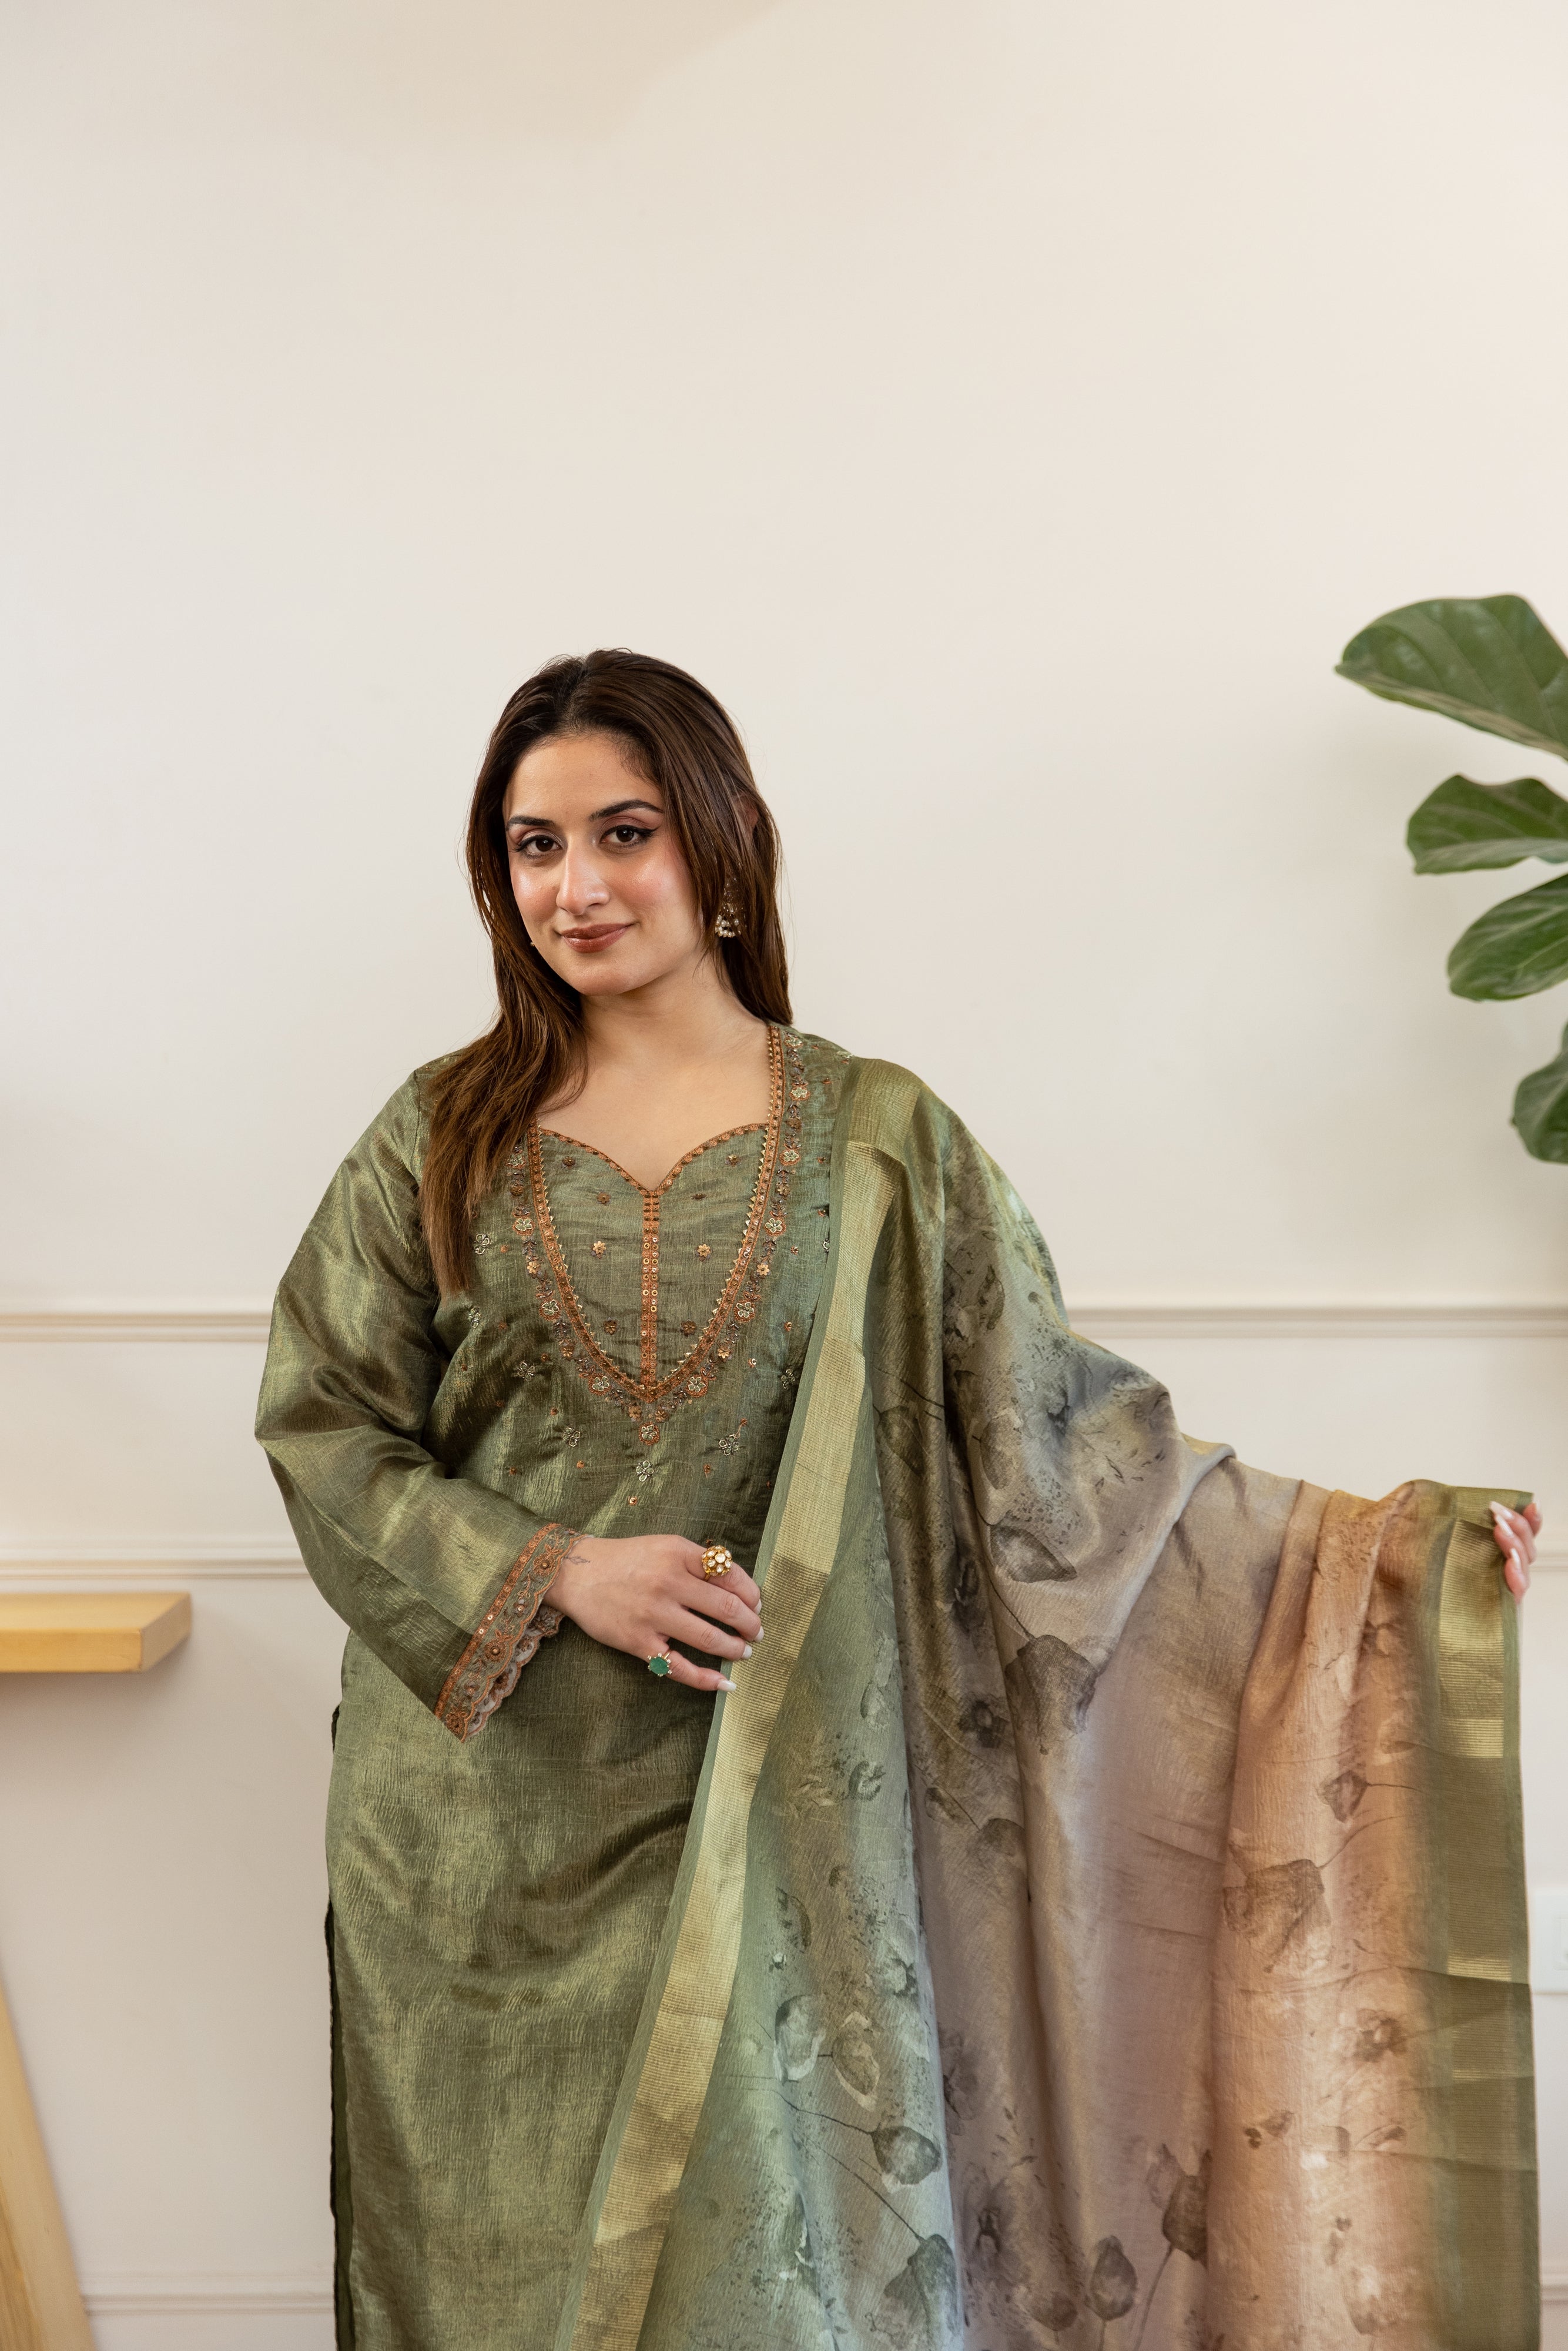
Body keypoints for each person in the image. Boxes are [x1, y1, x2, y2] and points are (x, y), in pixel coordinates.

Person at [257, 651, 1542, 2351]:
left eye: (625, 832)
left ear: (720, 838)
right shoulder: (438, 1138)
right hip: (479, 1836)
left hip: (787, 1810)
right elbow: (324, 1425)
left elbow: (1060, 1445)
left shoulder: (879, 1141)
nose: (577, 887)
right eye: (533, 845)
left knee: (783, 2285)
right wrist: (557, 1569)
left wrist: (1381, 1556)